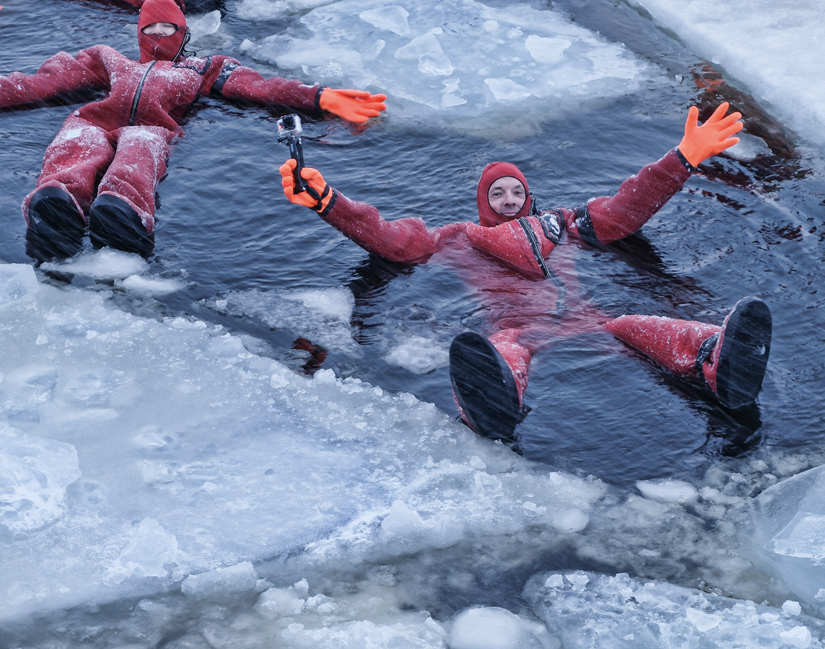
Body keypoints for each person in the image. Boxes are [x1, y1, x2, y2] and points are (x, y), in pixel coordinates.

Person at [279, 103, 772, 442]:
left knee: (631, 326)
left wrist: (682, 159)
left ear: (528, 194)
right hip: (516, 323)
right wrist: (329, 202)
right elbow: (389, 238)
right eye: (498, 194)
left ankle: (714, 355)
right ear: (483, 203)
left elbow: (629, 207)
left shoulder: (565, 223)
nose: (509, 200)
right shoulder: (457, 238)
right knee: (505, 349)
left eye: (516, 191)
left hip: (583, 317)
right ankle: (495, 398)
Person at [0, 0, 386, 263]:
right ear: (138, 30)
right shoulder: (106, 58)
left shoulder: (203, 69)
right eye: (150, 27)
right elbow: (39, 84)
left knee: (139, 152)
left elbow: (260, 87)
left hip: (153, 127)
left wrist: (319, 97)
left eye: (167, 28)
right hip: (95, 119)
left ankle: (124, 210)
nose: (157, 34)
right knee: (76, 143)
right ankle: (58, 202)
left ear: (183, 32)